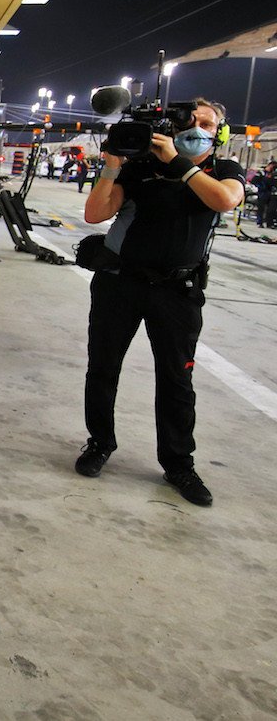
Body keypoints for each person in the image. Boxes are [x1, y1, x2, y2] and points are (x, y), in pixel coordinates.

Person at [76, 99, 245, 506]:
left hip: (178, 291)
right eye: (193, 120)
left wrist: (177, 163)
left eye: (208, 123)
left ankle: (178, 464)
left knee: (176, 379)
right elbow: (95, 213)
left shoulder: (223, 171)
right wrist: (114, 164)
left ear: (219, 133)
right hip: (121, 284)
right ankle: (100, 443)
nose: (198, 127)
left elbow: (224, 201)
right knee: (103, 367)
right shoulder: (140, 170)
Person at [254, 159, 276, 228]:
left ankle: (269, 222)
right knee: (261, 208)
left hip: (270, 192)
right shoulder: (261, 172)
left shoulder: (272, 174)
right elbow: (254, 181)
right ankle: (259, 222)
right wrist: (260, 188)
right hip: (262, 192)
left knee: (271, 209)